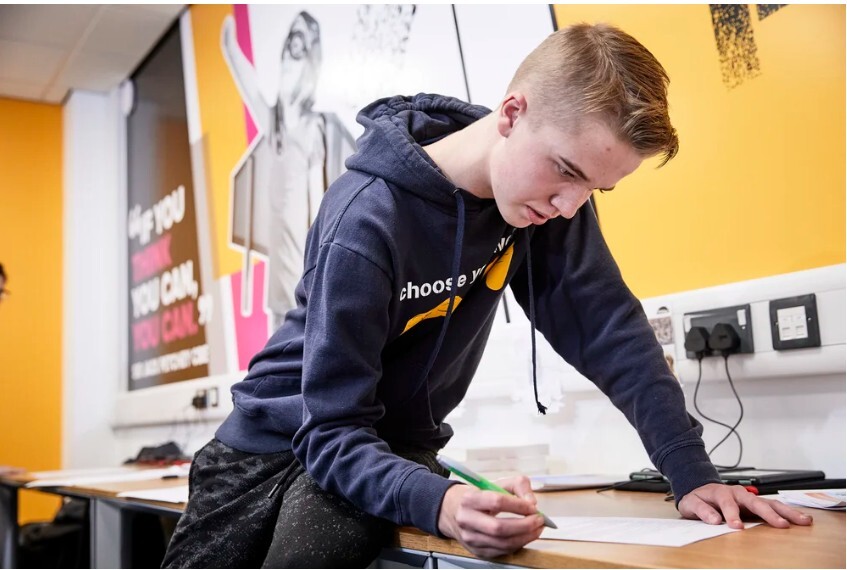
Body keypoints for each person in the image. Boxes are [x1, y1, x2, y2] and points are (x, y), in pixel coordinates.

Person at [163, 23, 811, 568]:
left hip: (384, 449)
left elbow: (608, 328)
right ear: (511, 113)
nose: (568, 207)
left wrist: (691, 472)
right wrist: (440, 501)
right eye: (566, 172)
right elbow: (329, 427)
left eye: (594, 190)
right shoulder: (368, 216)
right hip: (274, 445)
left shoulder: (546, 203)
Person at [222, 11, 356, 330]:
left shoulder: (312, 129)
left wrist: (321, 265)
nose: (287, 58)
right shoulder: (275, 126)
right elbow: (250, 88)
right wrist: (229, 47)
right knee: (277, 344)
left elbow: (320, 204)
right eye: (287, 46)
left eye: (298, 47)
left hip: (302, 267)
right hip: (279, 273)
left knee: (302, 342)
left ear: (309, 61)